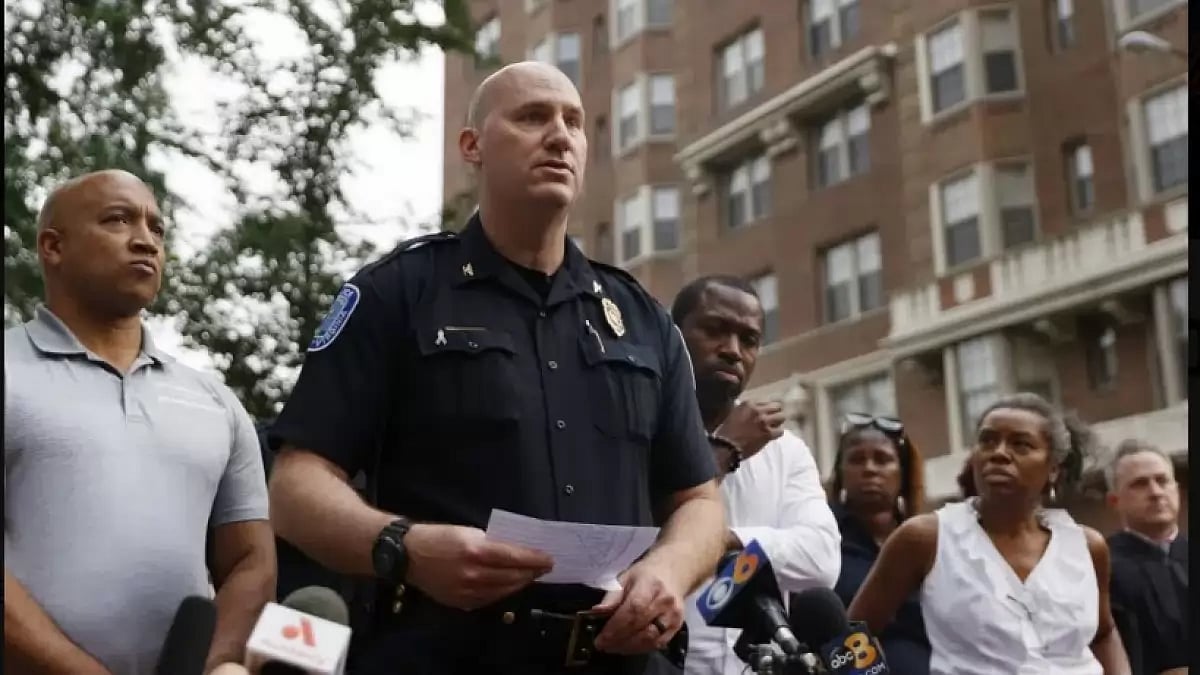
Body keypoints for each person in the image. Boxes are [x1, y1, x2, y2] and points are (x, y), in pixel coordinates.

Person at [267, 61, 727, 675]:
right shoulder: (397, 294)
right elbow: (295, 486)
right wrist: (403, 547)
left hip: (621, 659)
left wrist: (669, 569)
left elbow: (700, 500)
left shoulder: (641, 318)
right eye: (533, 117)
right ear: (472, 146)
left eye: (574, 122)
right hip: (449, 654)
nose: (560, 136)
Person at [4, 170, 276, 674]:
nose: (145, 240)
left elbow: (249, 562)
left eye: (157, 228)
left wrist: (213, 664)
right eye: (117, 220)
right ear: (52, 247)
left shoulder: (215, 400)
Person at [846, 393, 1131, 674]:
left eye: (1020, 444)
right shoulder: (925, 538)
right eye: (988, 441)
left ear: (1053, 468)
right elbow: (849, 636)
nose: (999, 453)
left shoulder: (1087, 546)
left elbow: (1104, 633)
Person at [667, 276, 840, 675]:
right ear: (673, 336)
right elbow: (637, 530)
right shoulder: (640, 432)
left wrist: (723, 541)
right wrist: (726, 448)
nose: (732, 351)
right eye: (714, 331)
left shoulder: (786, 449)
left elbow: (821, 558)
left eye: (748, 339)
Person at [826, 413, 930, 675]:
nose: (870, 468)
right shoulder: (822, 539)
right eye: (857, 459)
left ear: (903, 473)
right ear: (840, 471)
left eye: (883, 459)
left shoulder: (929, 543)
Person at [1104, 440, 1188, 675]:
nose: (1155, 492)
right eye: (1140, 484)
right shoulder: (1100, 566)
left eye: (1162, 481)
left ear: (1177, 490)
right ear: (1114, 501)